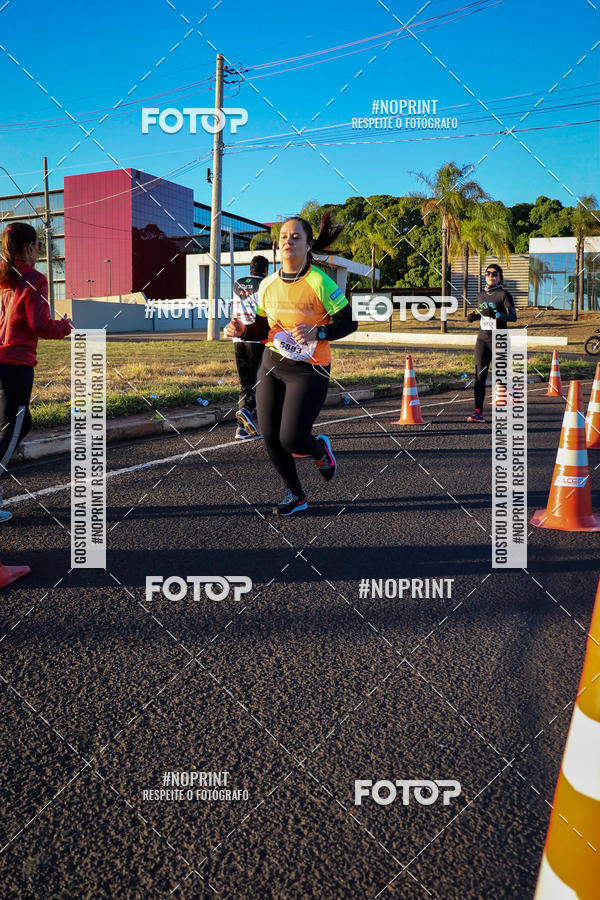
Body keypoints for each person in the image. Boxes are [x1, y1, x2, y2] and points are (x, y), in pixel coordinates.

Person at [225, 212, 357, 516]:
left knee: (292, 437)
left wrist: (319, 331)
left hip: (310, 369)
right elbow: (262, 327)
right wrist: (243, 330)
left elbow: (349, 322)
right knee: (270, 435)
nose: (289, 242)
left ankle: (318, 449)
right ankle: (296, 494)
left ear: (308, 245)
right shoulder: (268, 284)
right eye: (284, 237)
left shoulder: (318, 281)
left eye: (296, 237)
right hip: (272, 364)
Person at [0, 223, 72, 522]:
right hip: (15, 364)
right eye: (38, 246)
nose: (39, 251)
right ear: (30, 248)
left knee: (18, 423)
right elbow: (40, 325)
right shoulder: (33, 279)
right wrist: (65, 326)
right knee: (14, 426)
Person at [466, 263, 516, 423]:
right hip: (483, 339)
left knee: (500, 377)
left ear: (499, 277)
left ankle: (514, 393)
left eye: (494, 274)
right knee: (479, 376)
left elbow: (513, 316)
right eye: (488, 273)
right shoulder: (481, 295)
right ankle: (478, 413)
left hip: (499, 338)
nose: (491, 276)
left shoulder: (504, 294)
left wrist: (497, 315)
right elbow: (485, 315)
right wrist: (475, 317)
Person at [232, 255, 269, 440]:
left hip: (237, 339)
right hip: (256, 338)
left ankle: (241, 429)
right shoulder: (265, 284)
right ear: (265, 270)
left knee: (245, 384)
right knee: (262, 381)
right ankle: (248, 411)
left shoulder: (237, 283)